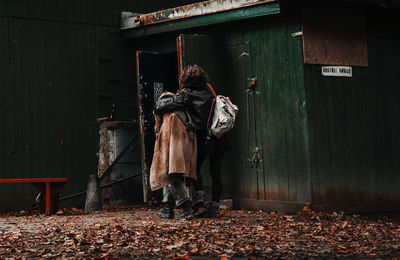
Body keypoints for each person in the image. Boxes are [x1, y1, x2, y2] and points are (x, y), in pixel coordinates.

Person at [152, 65, 214, 219]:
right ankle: (193, 199)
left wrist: (158, 105)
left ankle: (182, 205)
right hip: (204, 135)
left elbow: (167, 105)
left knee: (173, 168)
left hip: (188, 133)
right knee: (191, 169)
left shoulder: (186, 94)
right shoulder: (209, 91)